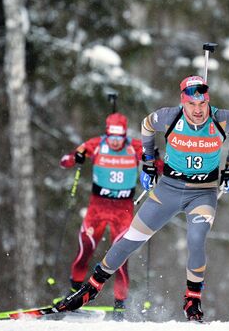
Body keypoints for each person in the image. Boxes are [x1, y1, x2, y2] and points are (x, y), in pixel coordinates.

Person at [55, 75, 229, 322]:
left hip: (203, 192)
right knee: (130, 240)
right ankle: (89, 289)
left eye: (202, 104)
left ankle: (192, 301)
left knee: (196, 239)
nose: (198, 111)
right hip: (168, 190)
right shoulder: (169, 116)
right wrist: (147, 163)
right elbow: (146, 126)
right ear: (183, 102)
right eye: (192, 105)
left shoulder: (222, 119)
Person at [58, 112, 143, 320]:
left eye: (119, 138)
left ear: (125, 135)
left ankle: (119, 305)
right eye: (112, 137)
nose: (115, 142)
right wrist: (74, 158)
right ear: (106, 134)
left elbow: (159, 162)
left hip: (122, 210)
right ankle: (74, 293)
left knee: (121, 258)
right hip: (97, 208)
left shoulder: (135, 147)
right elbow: (65, 161)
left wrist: (154, 165)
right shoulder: (96, 144)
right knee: (84, 249)